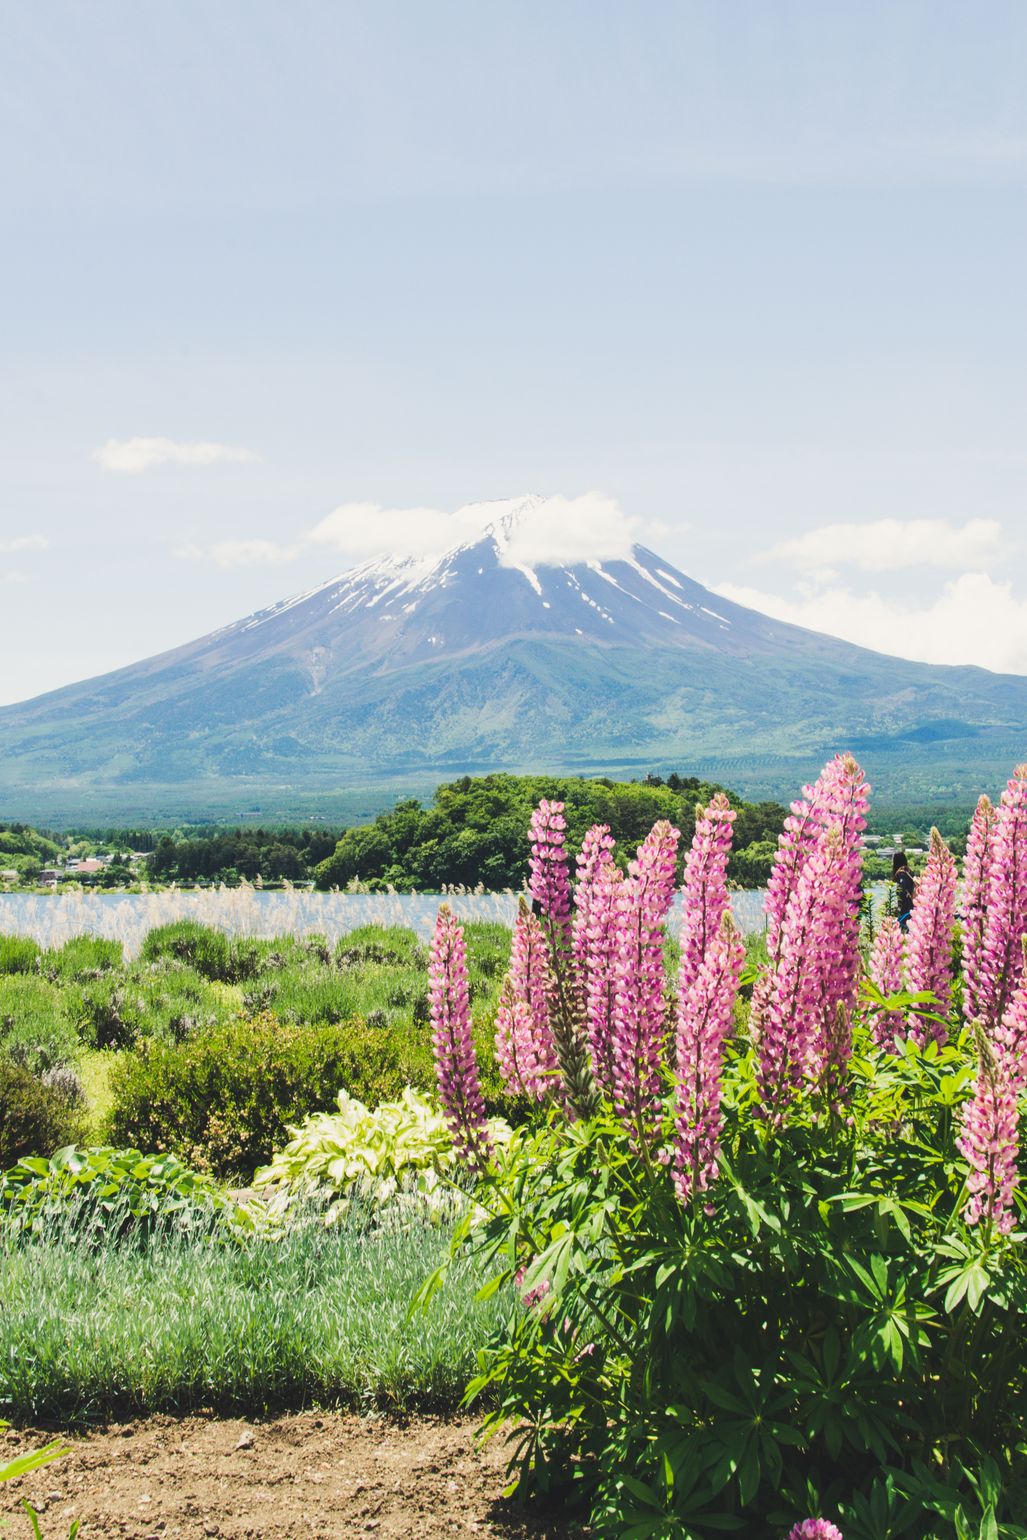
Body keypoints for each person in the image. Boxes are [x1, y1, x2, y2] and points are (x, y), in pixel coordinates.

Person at [892, 851, 915, 933]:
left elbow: (902, 888)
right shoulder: (909, 871)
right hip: (913, 905)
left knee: (904, 929)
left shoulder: (901, 873)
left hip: (905, 906)